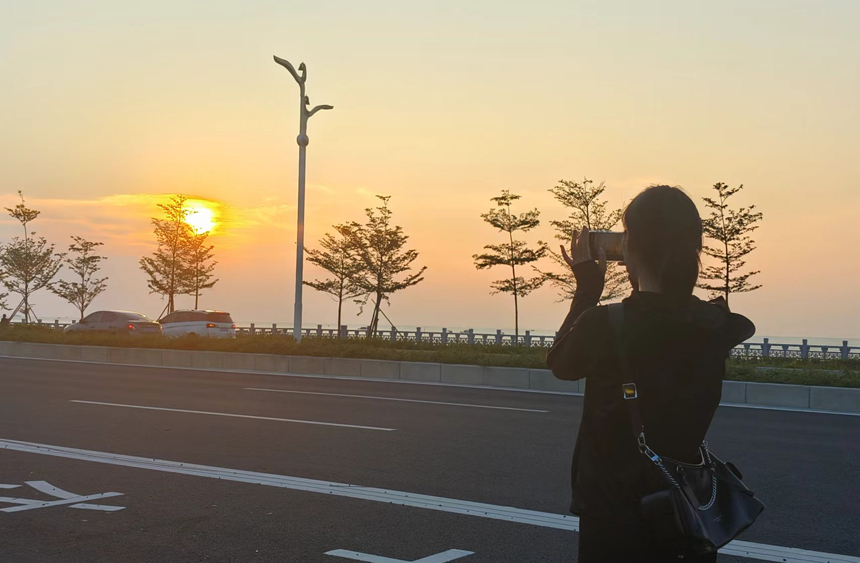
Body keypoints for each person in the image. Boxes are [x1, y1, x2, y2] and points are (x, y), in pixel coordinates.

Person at [547, 185, 755, 562]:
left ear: (632, 247)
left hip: (613, 512)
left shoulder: (606, 324)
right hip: (685, 507)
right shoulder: (715, 324)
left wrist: (588, 289)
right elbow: (666, 315)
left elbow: (561, 364)